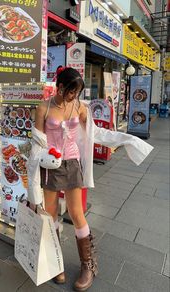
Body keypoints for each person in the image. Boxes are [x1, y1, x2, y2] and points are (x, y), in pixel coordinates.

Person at [27, 67, 153, 291]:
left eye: (77, 92)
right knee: (52, 214)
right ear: (60, 87)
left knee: (76, 213)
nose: (73, 96)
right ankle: (56, 264)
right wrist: (41, 165)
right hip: (50, 166)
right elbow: (37, 143)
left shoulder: (80, 107)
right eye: (71, 91)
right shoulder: (43, 108)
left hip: (73, 163)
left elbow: (95, 133)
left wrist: (124, 140)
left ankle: (88, 265)